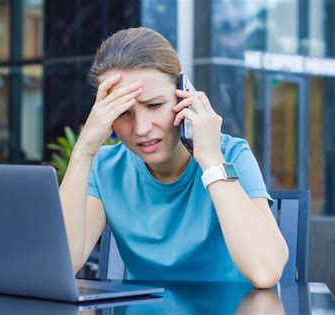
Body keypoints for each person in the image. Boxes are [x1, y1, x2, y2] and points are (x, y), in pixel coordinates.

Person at [59, 27, 288, 288]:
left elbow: (265, 271)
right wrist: (83, 151)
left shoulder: (231, 155)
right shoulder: (106, 167)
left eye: (154, 105)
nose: (142, 128)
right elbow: (62, 266)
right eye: (122, 112)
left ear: (184, 95)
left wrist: (211, 161)